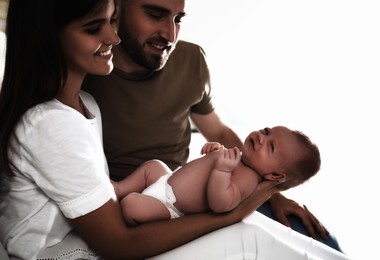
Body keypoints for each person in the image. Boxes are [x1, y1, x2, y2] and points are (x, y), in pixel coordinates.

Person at [0, 0, 304, 259]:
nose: (113, 36)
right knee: (252, 239)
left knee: (278, 237)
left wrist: (268, 191)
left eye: (110, 21)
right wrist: (233, 214)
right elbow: (116, 242)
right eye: (96, 27)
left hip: (165, 197)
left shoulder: (86, 103)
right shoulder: (52, 123)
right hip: (99, 237)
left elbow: (218, 130)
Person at [82, 0, 342, 250]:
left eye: (178, 19)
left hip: (190, 192)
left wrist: (274, 195)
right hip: (140, 189)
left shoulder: (191, 59)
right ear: (117, 9)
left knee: (323, 242)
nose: (171, 35)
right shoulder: (86, 66)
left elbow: (217, 130)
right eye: (155, 15)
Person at [113, 126, 321, 226]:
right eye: (266, 132)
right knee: (154, 166)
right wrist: (215, 152)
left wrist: (222, 170)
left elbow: (221, 203)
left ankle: (127, 208)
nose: (260, 137)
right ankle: (118, 188)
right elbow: (200, 172)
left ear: (275, 175)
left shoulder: (248, 179)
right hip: (167, 181)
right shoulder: (237, 158)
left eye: (271, 146)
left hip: (169, 206)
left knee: (132, 205)